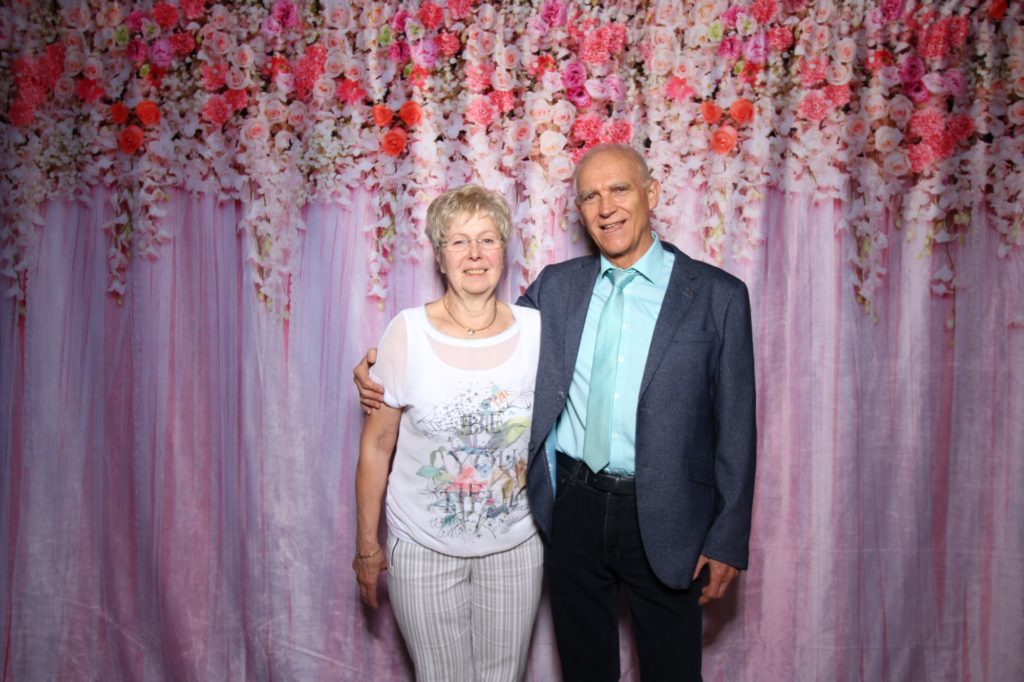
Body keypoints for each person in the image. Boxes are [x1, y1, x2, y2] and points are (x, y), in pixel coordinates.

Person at [356, 145, 757, 681]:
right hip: (574, 509)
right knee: (584, 669)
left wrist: (727, 537)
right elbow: (482, 336)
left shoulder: (717, 296)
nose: (606, 207)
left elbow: (737, 427)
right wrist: (379, 364)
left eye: (619, 189)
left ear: (652, 194)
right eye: (590, 196)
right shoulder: (557, 287)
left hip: (668, 515)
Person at [353, 185, 544, 682]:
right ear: (439, 257)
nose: (475, 254)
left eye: (487, 239)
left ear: (504, 250)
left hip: (515, 546)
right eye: (459, 241)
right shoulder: (406, 332)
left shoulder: (538, 331)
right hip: (422, 548)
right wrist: (367, 546)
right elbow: (376, 445)